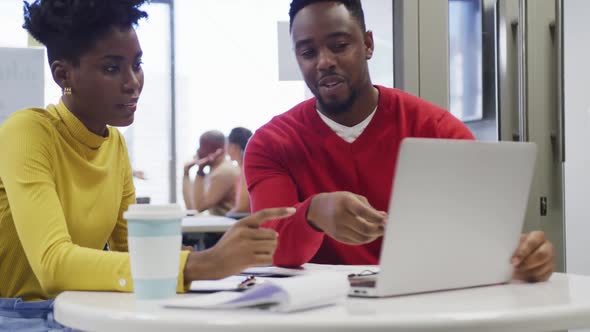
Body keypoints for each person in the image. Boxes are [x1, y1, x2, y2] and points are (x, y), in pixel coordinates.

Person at [0, 1, 291, 330]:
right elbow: (52, 264)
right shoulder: (27, 132)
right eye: (112, 68)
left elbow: (132, 250)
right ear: (64, 75)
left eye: (136, 64)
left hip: (84, 307)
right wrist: (195, 264)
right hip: (19, 316)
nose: (133, 82)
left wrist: (218, 254)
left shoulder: (115, 146)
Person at [244, 0, 555, 282]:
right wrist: (314, 213)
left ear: (367, 44)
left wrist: (524, 256)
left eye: (339, 45)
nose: (324, 62)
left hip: (424, 306)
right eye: (308, 52)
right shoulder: (272, 144)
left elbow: (485, 238)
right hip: (322, 316)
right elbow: (268, 247)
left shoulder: (437, 130)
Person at [183, 130, 240, 216]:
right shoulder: (214, 170)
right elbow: (191, 208)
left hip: (227, 227)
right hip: (219, 225)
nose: (198, 150)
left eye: (202, 146)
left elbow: (198, 207)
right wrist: (186, 173)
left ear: (218, 151)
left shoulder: (224, 172)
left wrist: (200, 171)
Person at [226, 127, 253, 215]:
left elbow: (242, 207)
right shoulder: (242, 169)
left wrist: (226, 216)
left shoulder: (246, 168)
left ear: (234, 147)